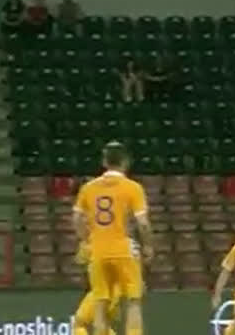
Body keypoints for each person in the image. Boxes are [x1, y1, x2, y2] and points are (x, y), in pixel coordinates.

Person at [73, 142, 154, 335]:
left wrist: (86, 241)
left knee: (100, 303)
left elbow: (76, 219)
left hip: (98, 251)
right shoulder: (132, 187)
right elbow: (142, 223)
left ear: (104, 162)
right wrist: (148, 246)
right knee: (133, 302)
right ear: (126, 162)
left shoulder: (88, 188)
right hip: (124, 250)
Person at [73, 239, 141, 335]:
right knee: (103, 323)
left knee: (80, 322)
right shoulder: (131, 243)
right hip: (123, 289)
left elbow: (80, 259)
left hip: (105, 288)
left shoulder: (100, 240)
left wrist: (86, 243)